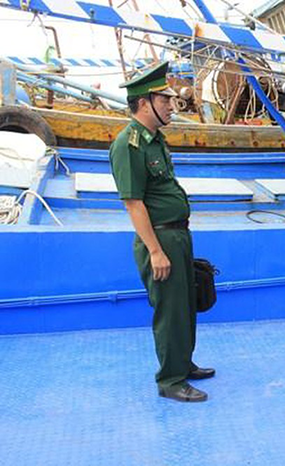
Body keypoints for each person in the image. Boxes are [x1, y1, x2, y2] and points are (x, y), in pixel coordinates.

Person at [109, 62, 214, 403]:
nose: (172, 105)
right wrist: (155, 251)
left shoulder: (155, 140)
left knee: (186, 304)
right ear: (144, 103)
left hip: (178, 235)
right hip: (159, 239)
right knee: (170, 311)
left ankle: (183, 363)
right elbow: (133, 204)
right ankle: (171, 380)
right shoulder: (129, 145)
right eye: (164, 99)